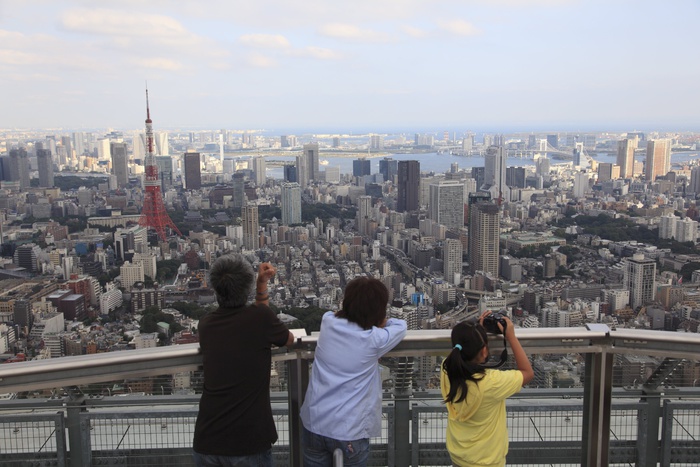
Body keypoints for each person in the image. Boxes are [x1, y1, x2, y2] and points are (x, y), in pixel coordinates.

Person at [193, 254, 294, 467]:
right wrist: (262, 283)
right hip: (249, 441)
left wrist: (261, 283)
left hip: (208, 439)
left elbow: (256, 317)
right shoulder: (260, 319)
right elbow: (289, 339)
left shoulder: (206, 324)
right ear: (246, 288)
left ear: (215, 288)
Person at [300, 277, 407, 467]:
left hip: (314, 425)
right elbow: (401, 326)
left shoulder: (328, 323)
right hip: (350, 430)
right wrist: (381, 322)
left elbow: (335, 314)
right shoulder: (374, 339)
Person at [441, 311, 534, 467]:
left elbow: (464, 355)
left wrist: (475, 334)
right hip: (487, 461)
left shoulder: (447, 369)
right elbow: (528, 373)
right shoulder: (491, 383)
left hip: (459, 456)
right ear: (484, 351)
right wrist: (511, 337)